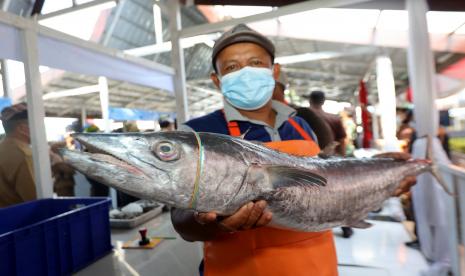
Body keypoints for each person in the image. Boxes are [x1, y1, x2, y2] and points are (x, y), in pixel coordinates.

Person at [171, 24, 416, 276]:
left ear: (274, 71)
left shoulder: (300, 125)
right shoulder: (198, 134)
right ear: (217, 79)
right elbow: (181, 222)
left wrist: (376, 170)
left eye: (255, 62)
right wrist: (214, 224)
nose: (245, 72)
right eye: (232, 67)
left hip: (318, 266)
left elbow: (328, 178)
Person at [0, 103, 36, 207]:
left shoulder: (3, 148)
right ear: (22, 129)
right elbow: (36, 200)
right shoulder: (24, 154)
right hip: (24, 220)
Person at [308, 91, 347, 156]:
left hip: (306, 157)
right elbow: (341, 142)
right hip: (328, 156)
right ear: (323, 101)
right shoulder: (334, 119)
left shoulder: (301, 117)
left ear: (310, 100)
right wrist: (343, 158)